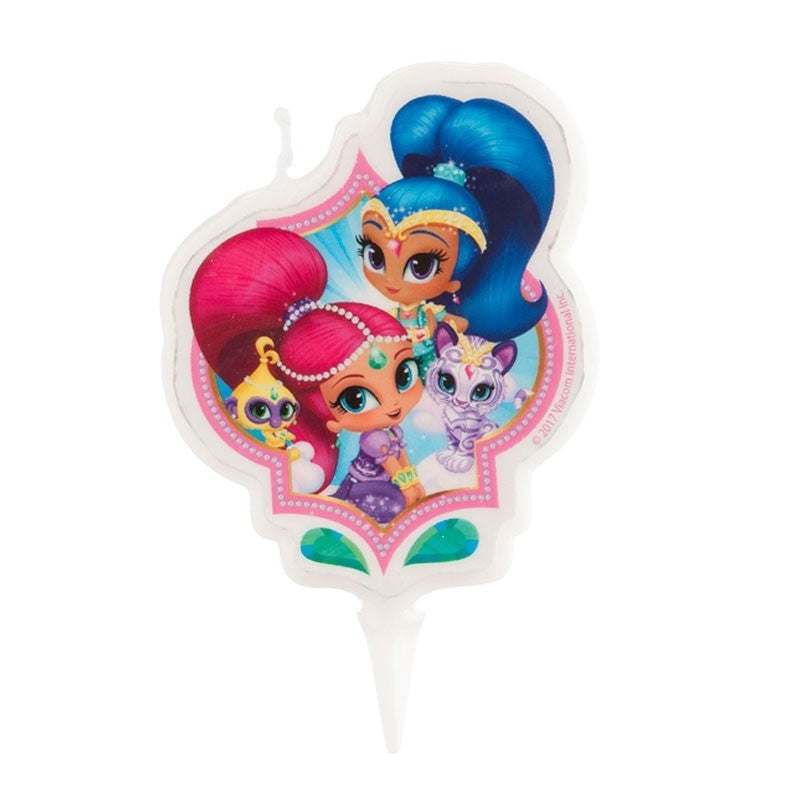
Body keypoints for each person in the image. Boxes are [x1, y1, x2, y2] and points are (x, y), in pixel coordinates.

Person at [189, 227, 425, 524]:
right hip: (366, 490)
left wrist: (413, 483)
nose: (394, 404)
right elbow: (394, 466)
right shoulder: (374, 437)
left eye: (404, 375)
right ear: (326, 412)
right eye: (355, 398)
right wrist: (409, 487)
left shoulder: (389, 430)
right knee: (393, 507)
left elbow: (402, 463)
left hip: (388, 485)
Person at [358, 95, 554, 377]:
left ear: (453, 281)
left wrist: (442, 332)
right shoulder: (397, 314)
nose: (391, 280)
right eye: (375, 256)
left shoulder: (432, 314)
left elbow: (457, 325)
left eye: (420, 266)